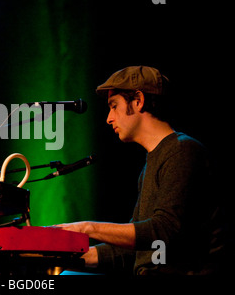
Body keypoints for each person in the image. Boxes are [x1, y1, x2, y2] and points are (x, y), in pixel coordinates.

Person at [55, 66, 227, 275]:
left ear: (138, 100)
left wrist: (86, 228)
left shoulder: (183, 151)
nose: (109, 118)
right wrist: (59, 257)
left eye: (114, 106)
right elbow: (135, 250)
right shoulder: (153, 163)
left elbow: (164, 231)